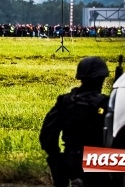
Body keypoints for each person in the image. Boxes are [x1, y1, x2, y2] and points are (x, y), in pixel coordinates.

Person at [39, 56, 111, 187]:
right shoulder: (107, 104)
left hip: (71, 159)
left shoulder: (65, 101)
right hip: (100, 162)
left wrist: (56, 159)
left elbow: (48, 134)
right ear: (102, 79)